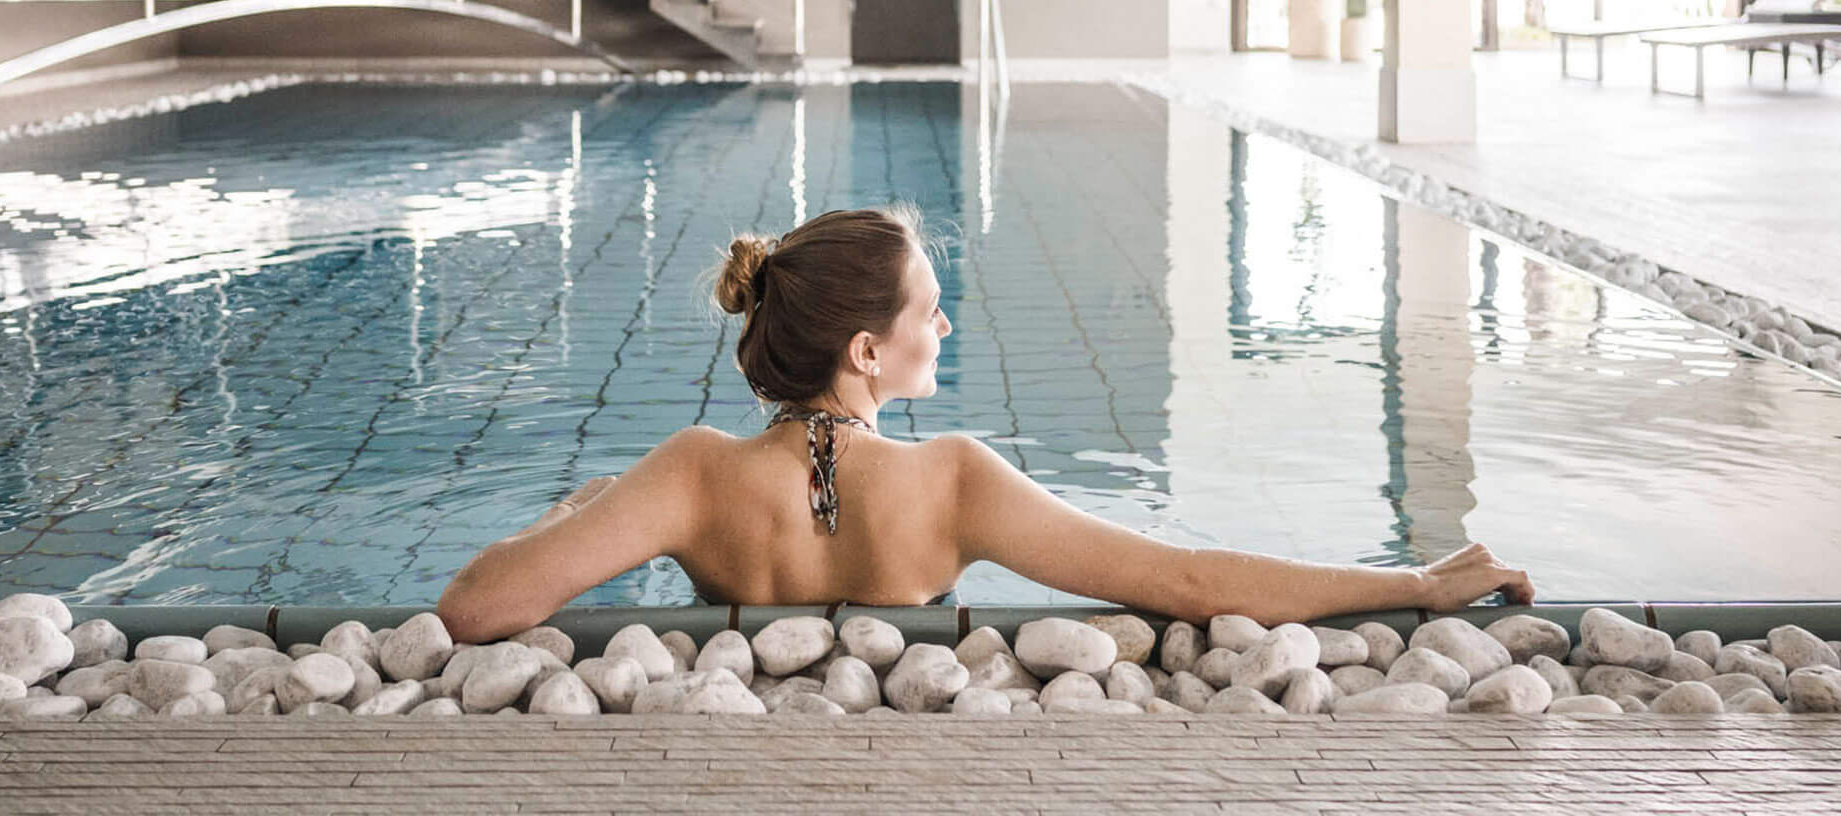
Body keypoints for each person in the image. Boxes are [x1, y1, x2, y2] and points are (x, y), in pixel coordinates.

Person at [437, 205, 1532, 643]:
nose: (946, 323)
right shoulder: (950, 481)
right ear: (867, 353)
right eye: (928, 310)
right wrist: (1412, 584)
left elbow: (477, 606)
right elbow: (1191, 586)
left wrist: (580, 508)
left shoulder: (690, 471)